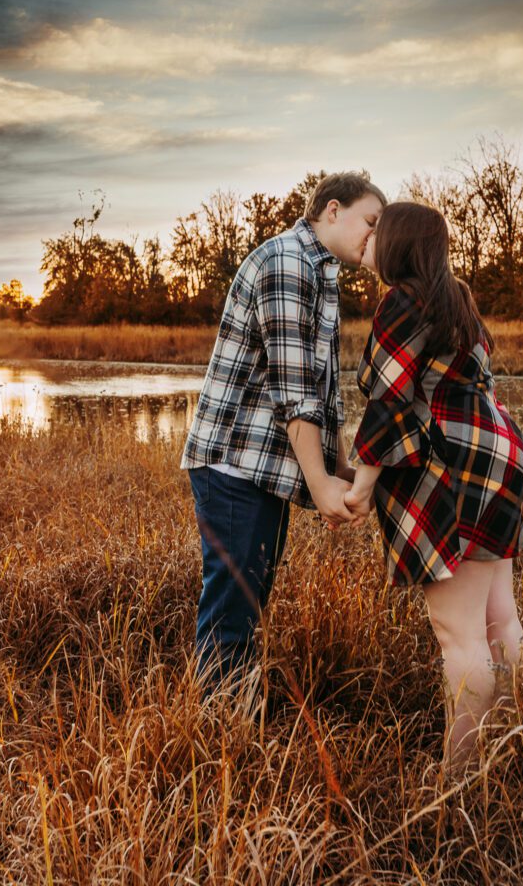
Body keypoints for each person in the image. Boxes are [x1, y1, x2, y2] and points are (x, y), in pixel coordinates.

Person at [343, 201, 523, 770]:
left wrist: (359, 488)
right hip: (502, 459)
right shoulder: (458, 298)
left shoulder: (403, 300)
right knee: (500, 617)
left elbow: (389, 403)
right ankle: (517, 743)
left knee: (459, 635)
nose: (369, 237)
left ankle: (461, 777)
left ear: (398, 243)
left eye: (378, 229)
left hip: (457, 472)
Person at [182, 172, 387, 690]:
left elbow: (323, 392)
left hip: (262, 468)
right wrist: (320, 486)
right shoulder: (287, 261)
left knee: (248, 606)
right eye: (371, 221)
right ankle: (217, 739)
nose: (375, 235)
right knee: (232, 614)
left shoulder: (322, 273)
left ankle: (232, 723)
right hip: (234, 464)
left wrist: (339, 467)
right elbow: (292, 389)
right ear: (333, 210)